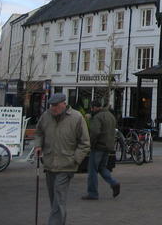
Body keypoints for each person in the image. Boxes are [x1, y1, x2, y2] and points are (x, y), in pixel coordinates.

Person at [34, 93, 90, 225]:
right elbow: (39, 132)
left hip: (66, 166)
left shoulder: (76, 117)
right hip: (49, 164)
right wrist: (38, 145)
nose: (53, 108)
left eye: (56, 106)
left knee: (58, 198)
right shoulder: (46, 116)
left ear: (64, 104)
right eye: (51, 106)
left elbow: (85, 143)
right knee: (55, 200)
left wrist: (75, 159)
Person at [82, 100, 120, 200]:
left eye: (92, 108)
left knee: (92, 170)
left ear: (94, 107)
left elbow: (95, 132)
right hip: (108, 146)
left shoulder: (97, 117)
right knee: (102, 167)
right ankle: (114, 182)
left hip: (98, 146)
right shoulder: (110, 116)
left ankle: (92, 193)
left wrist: (91, 144)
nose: (91, 110)